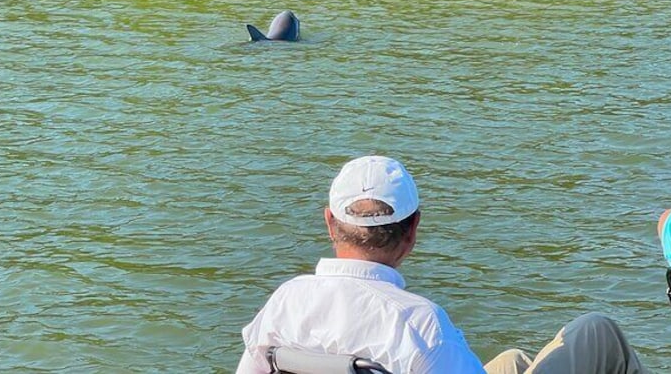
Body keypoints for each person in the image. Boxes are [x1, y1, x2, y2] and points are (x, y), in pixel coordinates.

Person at [236, 155, 650, 374]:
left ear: (330, 222)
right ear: (413, 229)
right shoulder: (419, 325)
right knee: (598, 334)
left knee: (512, 361)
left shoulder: (283, 303)